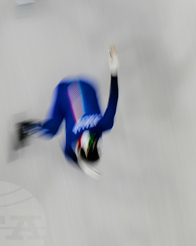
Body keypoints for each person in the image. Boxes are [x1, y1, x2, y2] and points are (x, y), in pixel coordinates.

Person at [15, 45, 119, 178]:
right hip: (68, 91)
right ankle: (25, 128)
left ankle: (25, 128)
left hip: (84, 87)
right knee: (51, 130)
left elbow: (113, 99)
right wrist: (83, 167)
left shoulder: (105, 124)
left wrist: (114, 69)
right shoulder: (71, 143)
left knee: (52, 128)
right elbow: (69, 156)